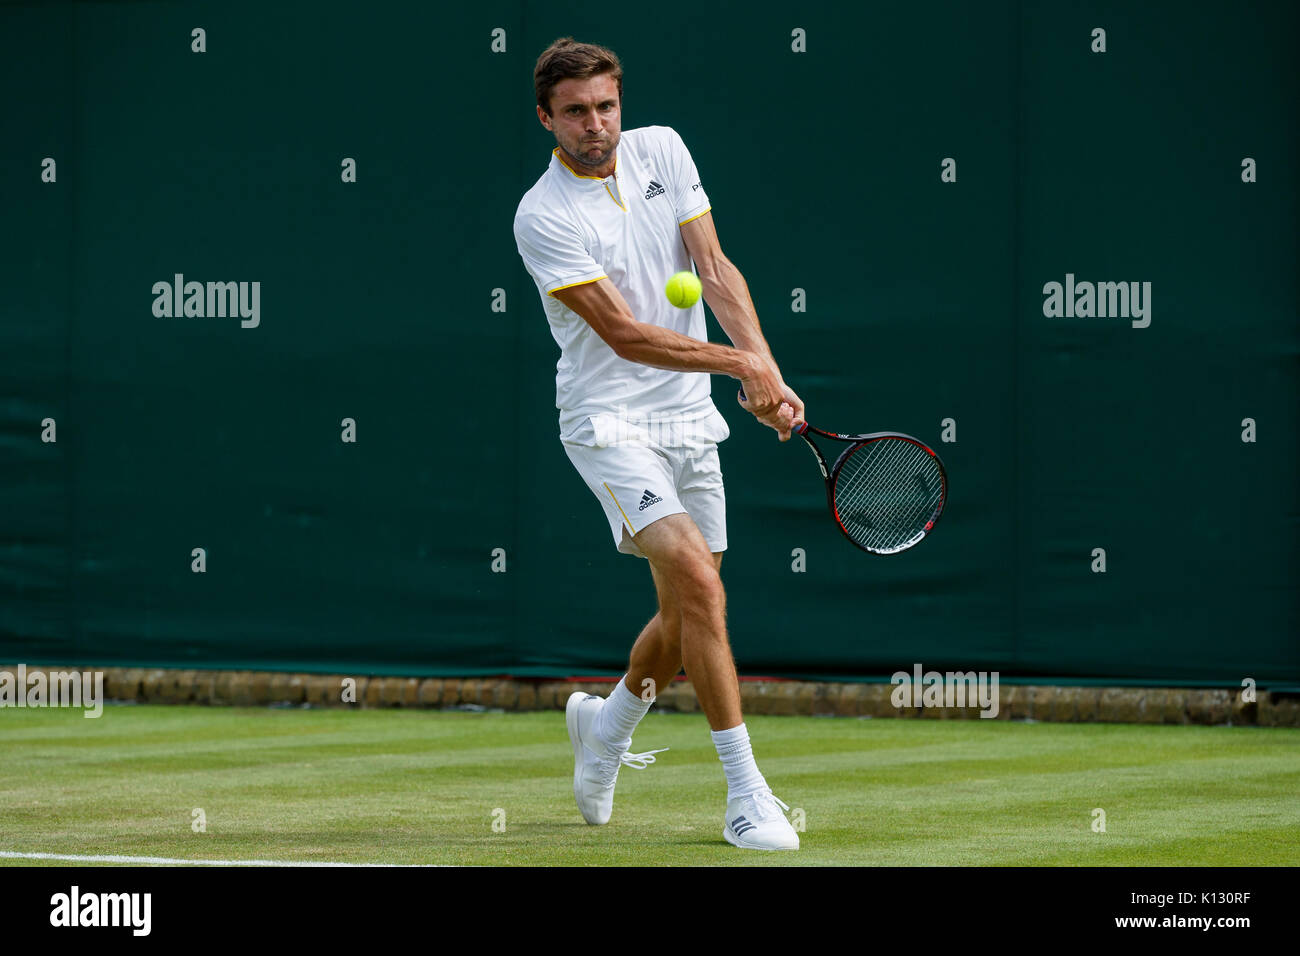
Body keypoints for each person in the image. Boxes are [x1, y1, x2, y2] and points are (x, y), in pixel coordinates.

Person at [513, 37, 805, 851]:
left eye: (605, 106)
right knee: (698, 587)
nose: (595, 125)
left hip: (687, 415)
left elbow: (712, 267)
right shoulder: (542, 217)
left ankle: (604, 730)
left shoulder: (663, 150)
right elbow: (624, 335)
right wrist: (738, 363)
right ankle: (747, 795)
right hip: (608, 424)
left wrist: (768, 377)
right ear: (547, 119)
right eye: (575, 112)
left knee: (686, 609)